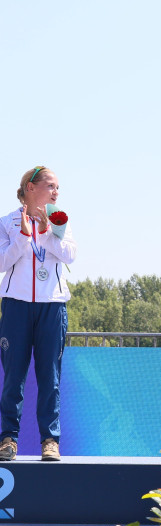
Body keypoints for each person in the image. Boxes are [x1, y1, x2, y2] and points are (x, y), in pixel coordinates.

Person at [0, 166, 77, 461]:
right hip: (16, 305)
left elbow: (70, 255)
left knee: (50, 378)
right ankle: (8, 439)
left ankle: (50, 441)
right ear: (30, 188)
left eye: (58, 187)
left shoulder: (60, 220)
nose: (56, 192)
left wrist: (47, 233)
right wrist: (22, 236)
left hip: (52, 305)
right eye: (51, 186)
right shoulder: (7, 222)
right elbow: (2, 262)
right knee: (13, 378)